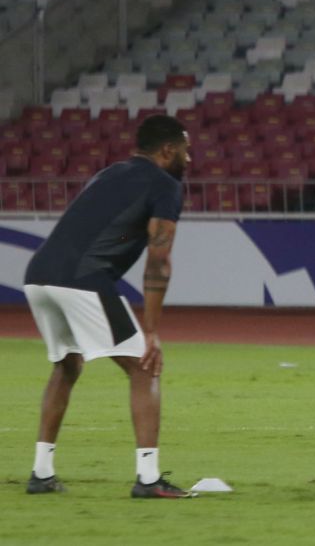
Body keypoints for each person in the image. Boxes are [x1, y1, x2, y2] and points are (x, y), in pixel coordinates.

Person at [23, 115, 192, 498]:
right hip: (82, 280)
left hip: (38, 276)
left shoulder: (109, 173)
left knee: (66, 366)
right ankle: (148, 480)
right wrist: (150, 331)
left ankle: (42, 472)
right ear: (168, 150)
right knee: (144, 367)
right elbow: (158, 260)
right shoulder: (166, 185)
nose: (190, 158)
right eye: (186, 149)